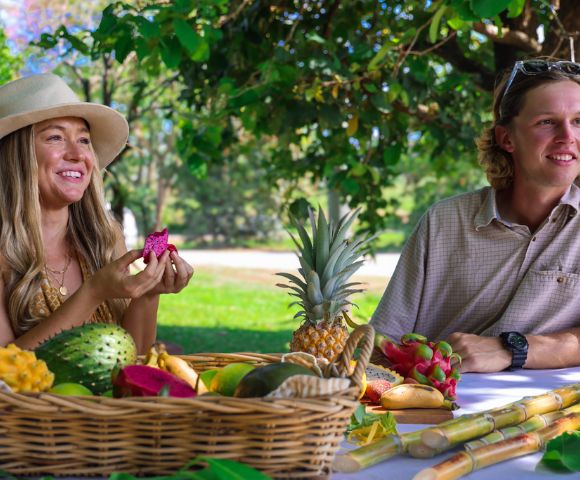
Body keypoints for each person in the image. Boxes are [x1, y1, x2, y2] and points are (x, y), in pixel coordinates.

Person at [370, 58, 580, 373]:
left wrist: (509, 349)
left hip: (549, 417)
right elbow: (383, 344)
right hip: (434, 411)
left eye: (579, 121)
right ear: (506, 138)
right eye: (547, 122)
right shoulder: (444, 222)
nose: (568, 135)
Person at [0, 73, 194, 354]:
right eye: (55, 137)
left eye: (84, 140)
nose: (78, 154)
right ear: (15, 155)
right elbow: (5, 373)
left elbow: (134, 356)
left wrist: (149, 290)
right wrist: (93, 292)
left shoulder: (104, 236)